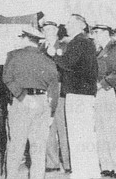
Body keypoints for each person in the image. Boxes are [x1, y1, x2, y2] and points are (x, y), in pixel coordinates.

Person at [3, 25, 59, 179]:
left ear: (25, 38)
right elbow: (54, 87)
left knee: (16, 146)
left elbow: (7, 78)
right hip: (42, 103)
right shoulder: (47, 58)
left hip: (21, 102)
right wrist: (51, 112)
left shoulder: (13, 55)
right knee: (38, 148)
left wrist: (22, 96)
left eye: (21, 37)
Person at [48, 14, 99, 179]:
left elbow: (68, 63)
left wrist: (53, 54)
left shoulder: (79, 42)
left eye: (69, 23)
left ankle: (82, 173)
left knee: (78, 135)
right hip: (84, 94)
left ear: (80, 25)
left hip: (78, 94)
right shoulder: (85, 42)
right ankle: (89, 171)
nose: (66, 26)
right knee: (85, 135)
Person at [91, 24, 116, 178]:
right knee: (101, 129)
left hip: (109, 90)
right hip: (97, 92)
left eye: (98, 32)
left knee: (113, 130)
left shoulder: (115, 49)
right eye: (94, 32)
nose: (95, 35)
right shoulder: (97, 50)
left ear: (107, 33)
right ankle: (107, 165)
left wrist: (101, 84)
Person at [40, 21, 70, 174]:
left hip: (59, 88)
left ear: (57, 31)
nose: (47, 32)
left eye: (51, 29)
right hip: (43, 89)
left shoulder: (64, 46)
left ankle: (68, 162)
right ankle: (52, 162)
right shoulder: (39, 48)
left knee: (63, 126)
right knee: (47, 127)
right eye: (45, 30)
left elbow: (66, 68)